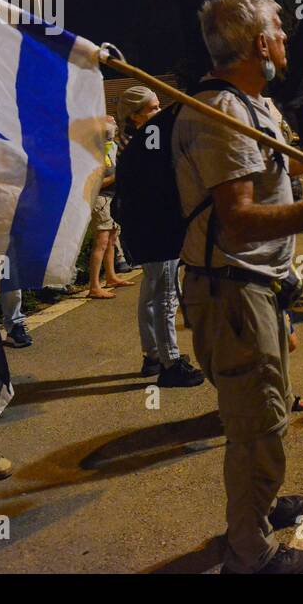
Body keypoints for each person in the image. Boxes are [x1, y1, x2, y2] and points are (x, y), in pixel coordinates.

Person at [173, 0, 303, 573]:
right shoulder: (225, 114)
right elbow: (236, 224)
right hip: (234, 290)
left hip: (258, 289)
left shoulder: (253, 106)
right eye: (281, 31)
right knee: (256, 425)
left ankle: (257, 509)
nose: (288, 40)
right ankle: (249, 554)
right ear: (259, 43)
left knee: (267, 415)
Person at [117, 84, 205, 387]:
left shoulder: (136, 143)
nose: (158, 112)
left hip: (146, 229)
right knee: (165, 295)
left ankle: (153, 354)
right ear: (136, 116)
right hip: (158, 228)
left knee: (152, 293)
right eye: (152, 108)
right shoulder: (141, 145)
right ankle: (170, 361)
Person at [88, 117, 133, 299]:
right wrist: (117, 176)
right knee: (101, 242)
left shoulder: (111, 147)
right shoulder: (94, 152)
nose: (114, 123)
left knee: (112, 239)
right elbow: (95, 184)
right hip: (101, 200)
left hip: (113, 199)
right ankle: (94, 285)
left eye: (115, 121)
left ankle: (111, 276)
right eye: (110, 121)